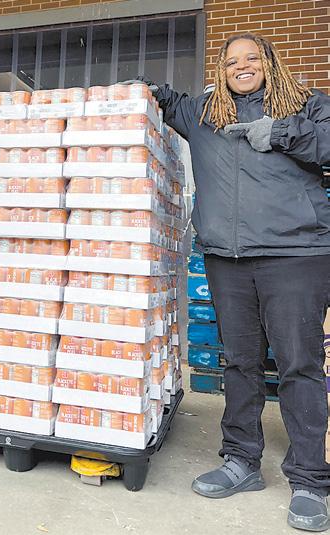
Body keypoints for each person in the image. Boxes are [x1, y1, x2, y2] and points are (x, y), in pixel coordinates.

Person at [147, 33, 330, 531]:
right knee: (240, 363)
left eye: (252, 58)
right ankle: (242, 460)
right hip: (227, 259)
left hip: (295, 255)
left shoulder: (307, 105)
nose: (241, 66)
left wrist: (281, 132)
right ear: (221, 70)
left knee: (299, 366)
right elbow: (166, 101)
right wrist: (141, 88)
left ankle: (311, 480)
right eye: (231, 61)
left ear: (269, 62)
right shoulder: (204, 113)